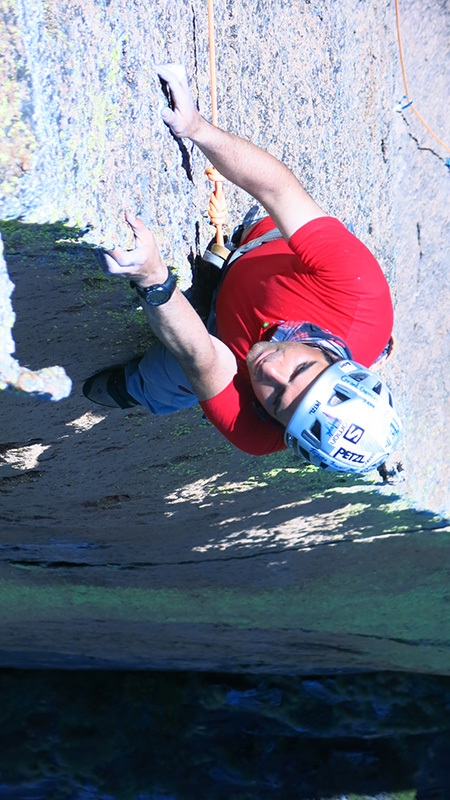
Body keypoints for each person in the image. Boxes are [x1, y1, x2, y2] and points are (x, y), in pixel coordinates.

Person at [83, 64, 401, 474]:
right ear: (336, 362)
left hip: (221, 343)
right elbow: (278, 190)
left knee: (168, 378)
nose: (270, 369)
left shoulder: (254, 432)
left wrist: (153, 279)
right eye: (302, 368)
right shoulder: (359, 294)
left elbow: (200, 355)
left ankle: (136, 389)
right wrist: (197, 128)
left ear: (278, 426)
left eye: (278, 400)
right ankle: (232, 258)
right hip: (263, 252)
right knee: (306, 233)